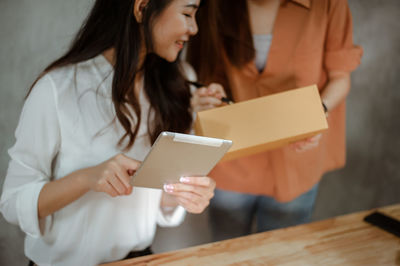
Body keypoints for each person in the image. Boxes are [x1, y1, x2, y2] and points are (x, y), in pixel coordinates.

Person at [0, 0, 216, 265]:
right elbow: (12, 203)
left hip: (139, 259)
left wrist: (183, 194)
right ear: (141, 7)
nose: (194, 28)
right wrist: (87, 178)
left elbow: (156, 198)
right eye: (187, 13)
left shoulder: (178, 85)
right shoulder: (57, 88)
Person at [187, 0, 363, 241]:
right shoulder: (212, 5)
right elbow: (202, 73)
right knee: (227, 252)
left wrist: (317, 113)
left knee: (282, 253)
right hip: (231, 159)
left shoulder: (329, 4)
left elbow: (340, 77)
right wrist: (210, 93)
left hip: (297, 157)